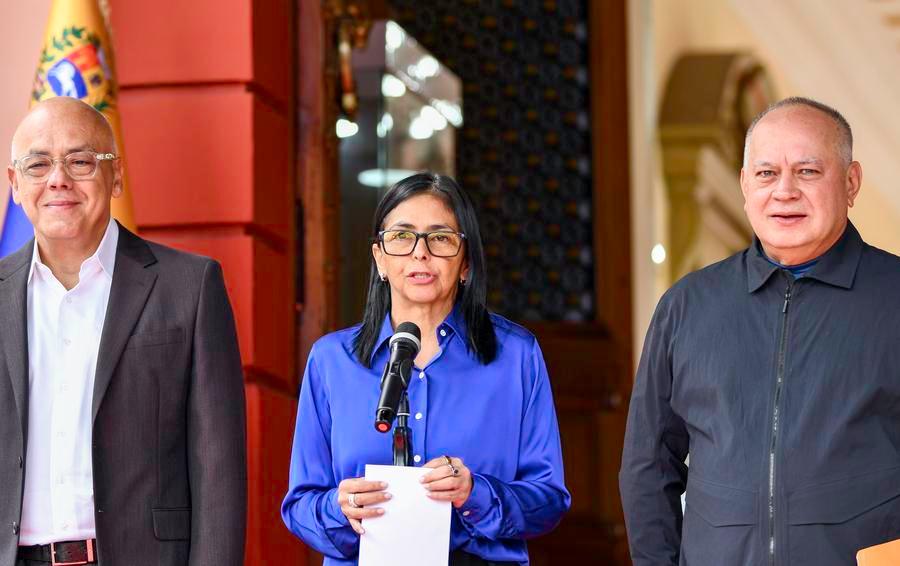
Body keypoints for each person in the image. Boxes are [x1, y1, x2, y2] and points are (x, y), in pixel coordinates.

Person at [620, 96, 900, 565]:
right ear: (745, 185)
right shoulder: (687, 306)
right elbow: (647, 466)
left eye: (808, 171)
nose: (784, 191)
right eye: (767, 173)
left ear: (851, 182)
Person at [0, 97, 247, 566]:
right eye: (38, 164)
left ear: (116, 176)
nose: (58, 179)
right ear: (15, 183)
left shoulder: (189, 287)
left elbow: (218, 467)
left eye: (80, 161)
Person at [281, 173, 570, 565]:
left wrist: (475, 493)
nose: (420, 253)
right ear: (379, 258)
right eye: (402, 236)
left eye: (441, 238)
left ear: (466, 263)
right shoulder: (332, 361)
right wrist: (339, 507)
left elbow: (549, 499)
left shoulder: (516, 356)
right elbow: (300, 505)